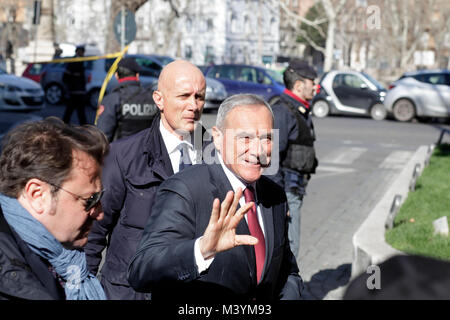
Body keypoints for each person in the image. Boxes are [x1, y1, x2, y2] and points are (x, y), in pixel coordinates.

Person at [127, 94, 304, 301]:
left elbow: (287, 272)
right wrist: (201, 250)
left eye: (266, 138)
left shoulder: (275, 195)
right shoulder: (185, 190)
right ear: (218, 138)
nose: (258, 151)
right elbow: (141, 270)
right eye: (245, 138)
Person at [85, 60, 208, 300]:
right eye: (183, 96)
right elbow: (93, 234)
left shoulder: (217, 154)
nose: (193, 105)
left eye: (199, 97)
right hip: (132, 293)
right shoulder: (121, 156)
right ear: (159, 99)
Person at [0, 117, 108, 300]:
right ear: (38, 195)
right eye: (90, 199)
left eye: (100, 197)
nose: (100, 213)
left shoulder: (59, 256)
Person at [268, 59, 318, 261]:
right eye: (312, 82)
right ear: (298, 85)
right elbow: (272, 159)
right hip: (287, 191)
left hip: (294, 189)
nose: (315, 87)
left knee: (289, 247)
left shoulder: (299, 108)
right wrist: (280, 199)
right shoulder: (283, 111)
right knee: (290, 248)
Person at [96, 57, 158, 142]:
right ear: (137, 76)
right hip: (147, 152)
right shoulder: (153, 98)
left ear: (117, 75)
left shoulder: (112, 99)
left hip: (120, 153)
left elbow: (103, 135)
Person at [63, 45, 88, 125]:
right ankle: (63, 127)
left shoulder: (83, 61)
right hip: (73, 91)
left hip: (80, 91)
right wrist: (72, 84)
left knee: (81, 112)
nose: (82, 53)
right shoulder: (73, 61)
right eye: (81, 51)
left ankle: (84, 127)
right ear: (77, 52)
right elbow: (65, 77)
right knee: (69, 111)